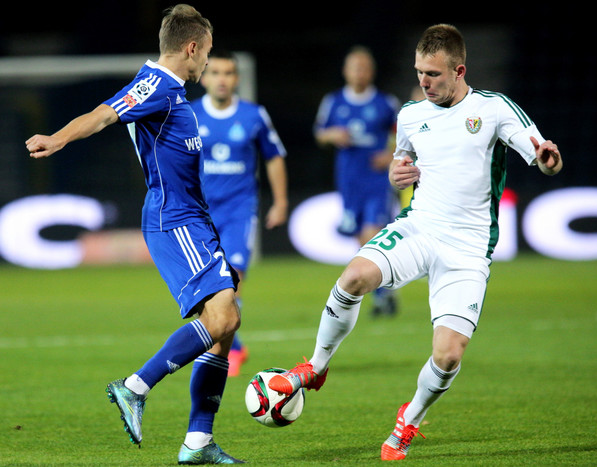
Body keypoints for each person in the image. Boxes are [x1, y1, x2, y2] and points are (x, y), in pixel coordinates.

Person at [268, 24, 562, 461]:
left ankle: (411, 418)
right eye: (419, 72)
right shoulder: (410, 114)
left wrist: (548, 161)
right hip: (421, 226)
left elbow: (541, 154)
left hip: (468, 246)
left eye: (434, 75)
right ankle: (315, 366)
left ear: (459, 70)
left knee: (447, 356)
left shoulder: (494, 109)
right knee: (353, 277)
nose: (424, 82)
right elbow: (402, 160)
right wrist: (396, 172)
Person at [25, 5, 245, 464]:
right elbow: (105, 114)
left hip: (195, 219)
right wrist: (58, 138)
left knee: (224, 326)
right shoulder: (158, 85)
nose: (206, 62)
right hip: (174, 219)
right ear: (191, 48)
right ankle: (134, 387)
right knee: (222, 319)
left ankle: (198, 444)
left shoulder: (174, 92)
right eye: (205, 53)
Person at [191, 49, 288, 377]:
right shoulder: (189, 115)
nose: (222, 79)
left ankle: (227, 348)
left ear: (237, 78)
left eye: (228, 73)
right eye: (215, 72)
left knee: (233, 276)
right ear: (204, 77)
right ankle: (234, 343)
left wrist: (281, 201)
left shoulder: (253, 115)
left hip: (238, 208)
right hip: (200, 211)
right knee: (206, 284)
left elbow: (274, 156)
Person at [314, 45, 401, 316]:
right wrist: (332, 135)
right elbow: (319, 133)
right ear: (345, 71)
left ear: (371, 72)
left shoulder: (385, 103)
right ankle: (384, 292)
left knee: (371, 234)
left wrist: (391, 154)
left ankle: (382, 297)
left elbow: (406, 135)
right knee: (361, 240)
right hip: (349, 179)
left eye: (364, 67)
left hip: (377, 180)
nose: (359, 73)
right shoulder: (334, 102)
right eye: (355, 67)